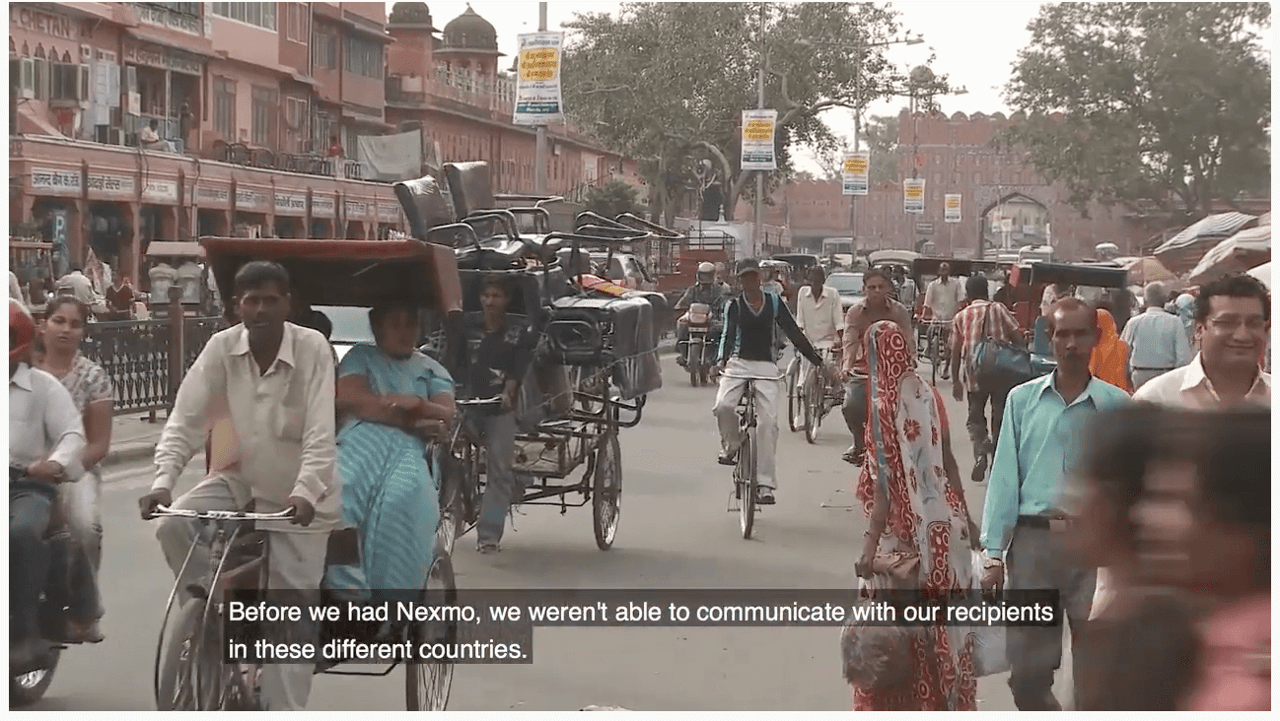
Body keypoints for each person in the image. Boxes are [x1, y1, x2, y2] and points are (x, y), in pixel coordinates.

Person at [138, 261, 339, 711]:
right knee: (172, 526)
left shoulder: (312, 349)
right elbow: (185, 421)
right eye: (252, 300)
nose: (261, 308)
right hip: (238, 480)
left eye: (271, 299)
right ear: (236, 307)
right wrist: (162, 482)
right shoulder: (220, 348)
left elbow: (320, 435)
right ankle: (212, 616)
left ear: (288, 304)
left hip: (300, 500)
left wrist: (305, 492)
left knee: (290, 622)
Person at [979, 296, 1131, 711]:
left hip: (1093, 547)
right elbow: (1005, 477)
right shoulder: (1022, 401)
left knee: (1095, 668)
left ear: (1095, 338)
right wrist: (993, 551)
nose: (1070, 344)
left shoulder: (1117, 407)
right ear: (1049, 336)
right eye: (1062, 333)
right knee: (1028, 676)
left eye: (1080, 334)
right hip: (1033, 547)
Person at [846, 320, 981, 711]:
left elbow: (886, 490)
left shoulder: (884, 405)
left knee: (892, 636)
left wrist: (870, 549)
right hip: (944, 533)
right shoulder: (930, 396)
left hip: (902, 541)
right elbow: (950, 462)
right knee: (942, 627)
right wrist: (966, 520)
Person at [325, 302, 455, 595]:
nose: (405, 332)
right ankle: (346, 589)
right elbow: (351, 399)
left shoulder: (432, 369)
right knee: (340, 492)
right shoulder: (361, 356)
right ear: (377, 328)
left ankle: (393, 601)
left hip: (408, 448)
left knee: (405, 499)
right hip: (360, 438)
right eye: (395, 324)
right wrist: (409, 416)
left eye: (410, 324)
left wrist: (419, 405)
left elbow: (446, 412)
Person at [10, 299, 87, 669]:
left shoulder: (43, 387)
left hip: (25, 485)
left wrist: (52, 463)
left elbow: (73, 434)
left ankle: (25, 631)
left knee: (22, 533)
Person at [713, 258, 826, 505]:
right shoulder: (734, 305)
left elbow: (794, 332)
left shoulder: (774, 303)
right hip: (738, 364)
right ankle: (731, 445)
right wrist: (719, 361)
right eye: (744, 277)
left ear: (760, 278)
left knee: (768, 424)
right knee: (723, 406)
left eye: (753, 277)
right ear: (739, 280)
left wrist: (816, 360)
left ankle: (765, 484)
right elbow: (728, 335)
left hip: (766, 365)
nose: (749, 281)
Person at [33, 297, 113, 643]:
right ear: (43, 324)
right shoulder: (21, 369)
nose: (65, 329)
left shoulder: (93, 377)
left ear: (83, 331)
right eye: (58, 321)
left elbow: (97, 445)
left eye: (74, 323)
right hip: (18, 469)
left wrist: (62, 468)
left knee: (82, 526)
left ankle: (85, 606)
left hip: (73, 471)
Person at [462, 276, 536, 554]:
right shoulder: (466, 328)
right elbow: (453, 360)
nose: (490, 301)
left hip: (499, 406)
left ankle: (489, 536)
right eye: (486, 295)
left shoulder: (517, 332)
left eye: (496, 296)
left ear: (506, 301)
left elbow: (517, 370)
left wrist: (508, 392)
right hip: (468, 403)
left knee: (499, 471)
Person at [1134, 275, 1269, 409]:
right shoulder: (1155, 400)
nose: (1242, 336)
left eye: (1254, 323)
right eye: (1227, 323)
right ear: (1199, 329)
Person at [949, 273, 1024, 482]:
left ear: (968, 293)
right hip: (1002, 372)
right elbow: (1017, 336)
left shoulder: (961, 316)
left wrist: (956, 380)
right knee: (999, 417)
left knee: (975, 418)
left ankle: (981, 449)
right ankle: (998, 464)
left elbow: (955, 352)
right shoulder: (998, 309)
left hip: (974, 374)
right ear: (987, 291)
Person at [838, 269, 912, 465]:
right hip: (863, 372)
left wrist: (910, 365)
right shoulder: (855, 313)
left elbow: (908, 342)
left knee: (909, 410)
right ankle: (859, 444)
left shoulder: (899, 312)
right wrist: (847, 366)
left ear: (888, 289)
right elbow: (850, 341)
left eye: (880, 287)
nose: (876, 291)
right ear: (864, 290)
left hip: (893, 373)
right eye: (872, 287)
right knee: (850, 405)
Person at [1121, 282, 1192, 390]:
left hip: (1139, 375)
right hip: (1166, 376)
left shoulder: (1134, 322)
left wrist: (1126, 378)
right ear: (1165, 300)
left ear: (1145, 301)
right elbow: (1183, 358)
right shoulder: (1175, 322)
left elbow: (1124, 353)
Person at [792, 265, 843, 393]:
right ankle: (802, 382)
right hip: (809, 340)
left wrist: (840, 339)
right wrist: (798, 337)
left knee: (828, 364)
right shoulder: (803, 293)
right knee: (805, 361)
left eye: (818, 281)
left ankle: (834, 385)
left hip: (828, 341)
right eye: (813, 281)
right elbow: (800, 320)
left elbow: (838, 321)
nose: (815, 284)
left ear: (823, 281)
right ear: (809, 280)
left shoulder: (832, 294)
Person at [674, 262, 730, 367]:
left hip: (712, 317)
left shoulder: (719, 290)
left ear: (713, 275)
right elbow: (684, 300)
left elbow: (725, 301)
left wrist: (723, 308)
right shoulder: (692, 290)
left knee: (720, 330)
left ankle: (718, 356)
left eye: (708, 275)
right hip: (694, 317)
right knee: (681, 323)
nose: (705, 277)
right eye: (703, 274)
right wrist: (679, 306)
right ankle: (683, 353)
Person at [1089, 308, 1133, 393]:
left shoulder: (1091, 346)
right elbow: (1125, 374)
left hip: (1095, 391)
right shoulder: (1121, 345)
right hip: (1118, 392)